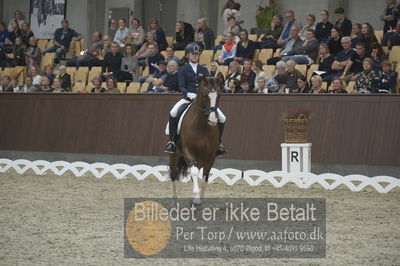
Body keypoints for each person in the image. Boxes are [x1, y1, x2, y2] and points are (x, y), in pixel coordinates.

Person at [165, 43, 226, 156]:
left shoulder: (204, 70)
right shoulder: (183, 69)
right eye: (193, 54)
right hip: (188, 99)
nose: (195, 56)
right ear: (188, 55)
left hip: (204, 101)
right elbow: (181, 86)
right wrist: (189, 94)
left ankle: (218, 144)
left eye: (197, 54)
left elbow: (210, 85)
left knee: (222, 118)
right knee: (173, 112)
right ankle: (172, 141)